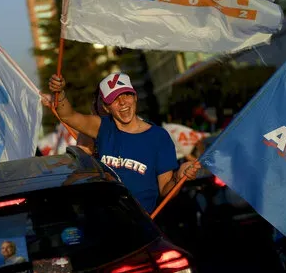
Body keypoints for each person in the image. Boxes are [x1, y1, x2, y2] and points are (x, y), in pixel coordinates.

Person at [43, 72, 201, 214]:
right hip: (103, 220)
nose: (123, 102)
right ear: (106, 107)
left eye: (126, 95)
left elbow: (166, 190)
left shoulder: (159, 137)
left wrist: (179, 177)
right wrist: (60, 92)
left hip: (140, 224)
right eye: (114, 99)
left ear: (135, 97)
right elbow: (69, 116)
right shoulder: (103, 127)